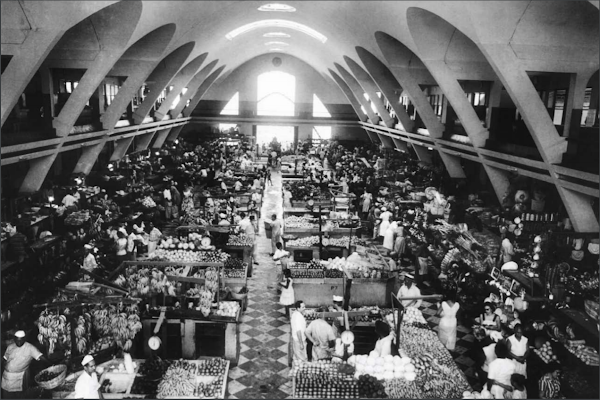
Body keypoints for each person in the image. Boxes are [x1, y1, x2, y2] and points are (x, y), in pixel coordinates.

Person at [2, 330, 48, 397]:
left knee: (20, 395)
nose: (19, 342)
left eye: (21, 340)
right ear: (14, 339)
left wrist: (51, 364)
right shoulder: (10, 347)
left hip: (19, 377)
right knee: (7, 395)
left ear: (24, 339)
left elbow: (41, 357)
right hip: (6, 376)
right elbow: (4, 359)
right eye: (17, 340)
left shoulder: (30, 348)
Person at [290, 301, 308, 367]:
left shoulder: (296, 314)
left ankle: (295, 370)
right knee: (302, 359)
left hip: (297, 340)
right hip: (299, 340)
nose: (304, 308)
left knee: (297, 357)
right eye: (303, 307)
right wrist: (301, 343)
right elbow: (298, 331)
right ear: (298, 308)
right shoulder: (298, 318)